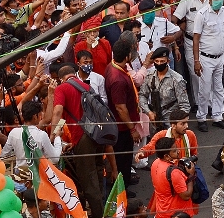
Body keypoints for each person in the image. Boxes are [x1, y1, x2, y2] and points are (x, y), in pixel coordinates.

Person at [50, 64, 104, 216]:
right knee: (98, 172)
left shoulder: (62, 88)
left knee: (88, 179)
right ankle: (104, 207)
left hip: (83, 136)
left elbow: (58, 111)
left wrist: (53, 134)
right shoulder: (86, 86)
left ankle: (97, 214)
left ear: (61, 79)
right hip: (98, 135)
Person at [193, 0, 224, 132]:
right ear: (209, 0)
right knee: (204, 89)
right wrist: (196, 61)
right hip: (206, 58)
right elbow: (196, 39)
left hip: (221, 56)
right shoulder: (202, 14)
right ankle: (202, 117)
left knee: (219, 87)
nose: (219, 1)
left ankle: (218, 116)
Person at [106, 38, 141, 194]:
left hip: (121, 126)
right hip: (121, 128)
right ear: (127, 56)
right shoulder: (118, 79)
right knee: (123, 160)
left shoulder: (113, 67)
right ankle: (122, 191)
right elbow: (121, 108)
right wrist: (132, 129)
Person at [172, 0, 209, 109]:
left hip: (207, 41)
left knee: (208, 72)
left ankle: (209, 105)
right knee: (195, 74)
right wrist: (180, 30)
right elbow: (174, 20)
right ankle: (199, 104)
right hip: (190, 40)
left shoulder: (210, 0)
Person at [139, 47, 191, 131]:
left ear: (168, 61)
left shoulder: (176, 79)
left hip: (171, 122)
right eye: (157, 61)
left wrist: (178, 123)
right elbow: (142, 95)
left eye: (162, 61)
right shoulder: (149, 76)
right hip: (155, 120)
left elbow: (184, 105)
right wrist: (149, 112)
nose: (159, 64)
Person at [1, 100, 62, 167]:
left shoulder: (13, 133)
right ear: (35, 117)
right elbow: (55, 159)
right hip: (37, 175)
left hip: (19, 174)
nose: (41, 118)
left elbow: (4, 154)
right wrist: (57, 137)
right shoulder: (42, 135)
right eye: (40, 115)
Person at [151, 137, 196, 218]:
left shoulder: (155, 163)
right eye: (174, 151)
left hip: (162, 211)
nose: (178, 151)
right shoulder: (174, 173)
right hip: (178, 213)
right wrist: (191, 175)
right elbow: (186, 196)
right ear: (166, 156)